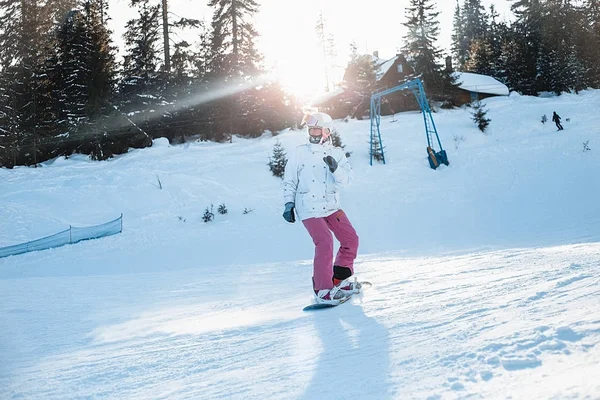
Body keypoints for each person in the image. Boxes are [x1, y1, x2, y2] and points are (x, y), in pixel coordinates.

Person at [282, 111, 361, 305]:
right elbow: (289, 179)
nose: (313, 133)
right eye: (311, 130)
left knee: (350, 239)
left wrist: (336, 168)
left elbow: (347, 181)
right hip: (308, 206)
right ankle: (323, 290)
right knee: (325, 242)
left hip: (331, 206)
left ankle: (339, 281)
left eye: (317, 129)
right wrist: (288, 203)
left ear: (327, 131)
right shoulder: (300, 152)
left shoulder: (337, 154)